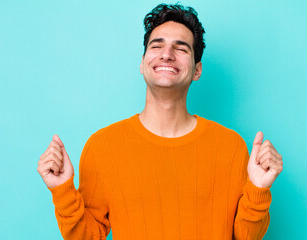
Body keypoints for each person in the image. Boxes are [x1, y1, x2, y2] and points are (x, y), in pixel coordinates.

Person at [37, 3, 283, 240]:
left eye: (181, 48)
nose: (167, 55)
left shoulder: (231, 147)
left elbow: (246, 237)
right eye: (157, 46)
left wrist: (258, 190)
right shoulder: (102, 147)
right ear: (143, 64)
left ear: (197, 70)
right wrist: (63, 191)